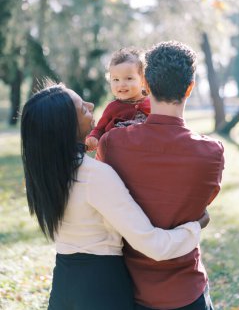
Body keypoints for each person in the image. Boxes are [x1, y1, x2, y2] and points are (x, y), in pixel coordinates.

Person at [20, 80, 210, 310]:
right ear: (65, 126)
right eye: (82, 108)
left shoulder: (41, 175)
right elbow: (154, 246)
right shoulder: (94, 176)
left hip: (63, 285)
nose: (91, 105)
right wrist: (195, 227)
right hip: (101, 289)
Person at [97, 41, 225, 310]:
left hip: (129, 289)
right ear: (190, 87)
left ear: (145, 83)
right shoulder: (212, 152)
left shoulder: (112, 143)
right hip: (187, 289)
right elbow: (201, 208)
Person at [86, 47, 150, 151]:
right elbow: (100, 129)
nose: (121, 84)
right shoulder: (113, 107)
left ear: (143, 79)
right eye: (116, 79)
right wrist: (93, 137)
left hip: (144, 155)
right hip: (118, 155)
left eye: (129, 78)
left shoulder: (151, 104)